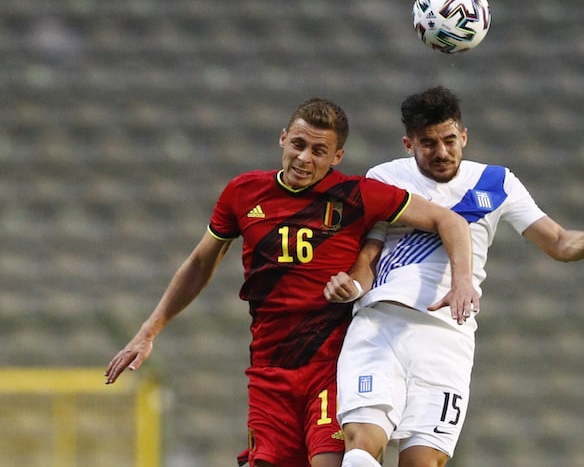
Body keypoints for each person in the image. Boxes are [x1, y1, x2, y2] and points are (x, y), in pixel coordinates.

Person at [104, 97, 478, 467]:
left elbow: (450, 221)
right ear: (283, 139)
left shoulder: (357, 195)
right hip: (269, 370)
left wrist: (462, 281)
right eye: (298, 145)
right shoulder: (243, 193)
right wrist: (148, 330)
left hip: (331, 365)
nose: (304, 158)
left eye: (319, 150)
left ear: (337, 157)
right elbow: (200, 263)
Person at [324, 86, 584, 467]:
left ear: (464, 136)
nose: (441, 152)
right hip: (381, 324)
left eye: (449, 140)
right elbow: (368, 256)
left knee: (422, 462)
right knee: (360, 450)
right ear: (409, 143)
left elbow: (558, 242)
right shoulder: (384, 177)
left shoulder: (496, 183)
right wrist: (351, 288)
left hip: (446, 338)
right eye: (428, 143)